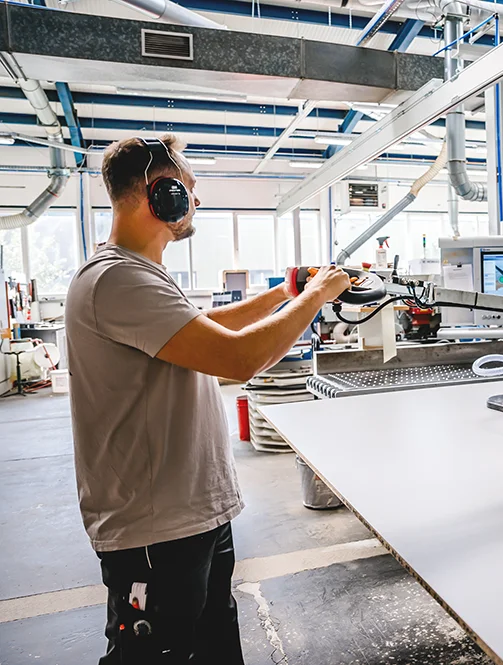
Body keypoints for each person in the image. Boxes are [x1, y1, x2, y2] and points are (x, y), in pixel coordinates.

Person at [65, 134, 350, 664]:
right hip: (156, 529)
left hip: (191, 515)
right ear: (162, 193)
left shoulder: (142, 273)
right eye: (189, 189)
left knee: (209, 643)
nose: (196, 201)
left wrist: (284, 294)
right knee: (158, 653)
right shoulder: (118, 279)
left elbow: (205, 330)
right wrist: (317, 298)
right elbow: (238, 359)